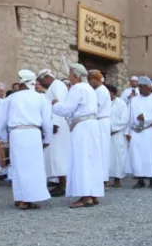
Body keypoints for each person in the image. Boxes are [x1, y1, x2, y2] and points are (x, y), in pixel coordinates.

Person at [0, 70, 52, 209]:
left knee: (19, 167)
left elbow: (0, 120)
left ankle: (21, 198)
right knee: (34, 167)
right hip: (34, 133)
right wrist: (47, 138)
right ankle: (28, 199)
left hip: (17, 134)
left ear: (21, 83)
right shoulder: (41, 98)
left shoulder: (11, 98)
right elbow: (47, 122)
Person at [52, 63, 104, 208]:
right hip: (92, 126)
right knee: (92, 159)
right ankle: (93, 194)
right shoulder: (90, 89)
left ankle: (85, 196)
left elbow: (67, 109)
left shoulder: (77, 88)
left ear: (76, 76)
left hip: (82, 127)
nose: (69, 77)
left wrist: (55, 104)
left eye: (70, 75)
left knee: (81, 160)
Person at [37, 69, 70, 196]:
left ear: (47, 77)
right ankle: (58, 182)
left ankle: (63, 184)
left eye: (41, 81)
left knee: (58, 155)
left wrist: (55, 123)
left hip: (58, 126)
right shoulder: (53, 86)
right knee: (53, 155)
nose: (41, 84)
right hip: (54, 125)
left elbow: (59, 105)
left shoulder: (58, 86)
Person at [127, 76, 152, 189]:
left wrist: (145, 117)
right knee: (137, 155)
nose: (140, 89)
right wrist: (127, 131)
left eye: (142, 87)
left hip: (150, 131)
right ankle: (140, 179)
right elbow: (128, 116)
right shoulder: (134, 100)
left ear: (149, 87)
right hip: (136, 132)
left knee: (151, 155)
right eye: (139, 87)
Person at [88, 70, 111, 189]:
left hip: (101, 121)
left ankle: (103, 180)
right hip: (97, 122)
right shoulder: (95, 90)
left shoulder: (102, 91)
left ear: (95, 80)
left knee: (102, 151)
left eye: (90, 80)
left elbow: (95, 107)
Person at [107, 84, 128, 188]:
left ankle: (117, 179)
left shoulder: (121, 104)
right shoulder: (102, 103)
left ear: (113, 93)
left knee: (118, 157)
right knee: (105, 157)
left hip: (117, 134)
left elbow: (124, 120)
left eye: (109, 93)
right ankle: (105, 179)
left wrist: (112, 129)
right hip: (105, 135)